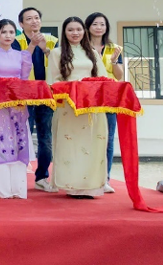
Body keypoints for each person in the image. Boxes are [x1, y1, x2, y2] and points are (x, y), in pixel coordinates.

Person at [47, 16, 108, 199]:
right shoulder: (56, 53)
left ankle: (91, 186)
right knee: (71, 146)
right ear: (64, 33)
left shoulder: (92, 52)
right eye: (70, 30)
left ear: (84, 31)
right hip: (69, 107)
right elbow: (53, 82)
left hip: (91, 107)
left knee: (92, 144)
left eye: (78, 29)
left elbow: (102, 77)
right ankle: (72, 186)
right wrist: (73, 89)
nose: (75, 33)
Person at [0, 20, 35, 199]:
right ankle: (0, 188)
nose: (8, 35)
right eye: (4, 32)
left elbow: (23, 82)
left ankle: (17, 188)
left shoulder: (23, 56)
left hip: (17, 106)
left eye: (11, 32)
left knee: (18, 142)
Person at [13, 7, 57, 192]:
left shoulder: (53, 41)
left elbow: (60, 64)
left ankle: (42, 176)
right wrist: (31, 46)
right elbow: (16, 65)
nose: (34, 21)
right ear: (21, 24)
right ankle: (18, 178)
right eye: (29, 19)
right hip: (24, 96)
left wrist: (45, 49)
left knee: (45, 138)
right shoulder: (16, 42)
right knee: (22, 136)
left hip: (47, 96)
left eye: (37, 18)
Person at [86, 11, 123, 194]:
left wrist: (115, 61)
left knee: (107, 139)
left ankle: (105, 178)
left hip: (109, 98)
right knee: (88, 138)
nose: (99, 27)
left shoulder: (114, 48)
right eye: (95, 24)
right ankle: (87, 177)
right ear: (88, 27)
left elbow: (119, 76)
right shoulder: (81, 47)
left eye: (102, 24)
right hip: (87, 98)